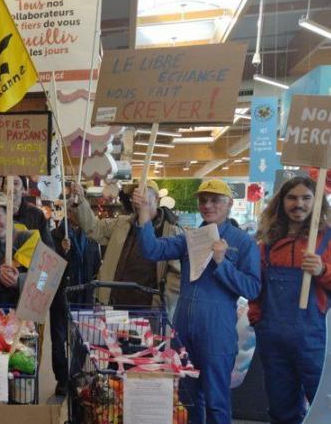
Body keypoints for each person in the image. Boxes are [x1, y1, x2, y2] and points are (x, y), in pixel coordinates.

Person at [133, 179, 261, 424]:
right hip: (183, 331)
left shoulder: (243, 243)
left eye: (215, 200)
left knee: (216, 402)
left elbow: (253, 288)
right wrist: (144, 218)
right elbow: (152, 250)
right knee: (188, 400)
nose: (208, 205)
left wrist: (222, 263)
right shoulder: (190, 238)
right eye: (203, 200)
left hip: (217, 332)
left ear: (230, 204)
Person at [248, 176, 331, 424]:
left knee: (321, 407)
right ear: (281, 202)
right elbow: (256, 287)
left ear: (317, 202)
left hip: (314, 339)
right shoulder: (268, 244)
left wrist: (323, 270)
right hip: (273, 339)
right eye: (292, 198)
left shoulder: (327, 240)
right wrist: (256, 318)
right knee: (281, 407)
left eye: (306, 198)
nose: (299, 204)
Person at [72, 180, 182, 317]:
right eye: (134, 195)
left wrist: (164, 304)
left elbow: (176, 275)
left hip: (150, 312)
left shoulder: (172, 231)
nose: (137, 199)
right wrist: (81, 201)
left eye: (142, 194)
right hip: (114, 306)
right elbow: (95, 228)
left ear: (156, 199)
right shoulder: (122, 223)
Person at [50, 204, 101, 396]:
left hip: (84, 294)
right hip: (61, 294)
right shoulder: (55, 235)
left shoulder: (91, 236)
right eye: (73, 208)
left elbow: (96, 263)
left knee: (82, 337)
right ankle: (62, 379)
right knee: (59, 339)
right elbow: (48, 264)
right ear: (68, 211)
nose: (77, 213)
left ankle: (75, 373)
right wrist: (62, 252)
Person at [5, 176, 53, 247]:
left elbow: (48, 247)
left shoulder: (36, 215)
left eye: (15, 183)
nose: (10, 187)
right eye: (7, 183)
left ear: (24, 189)